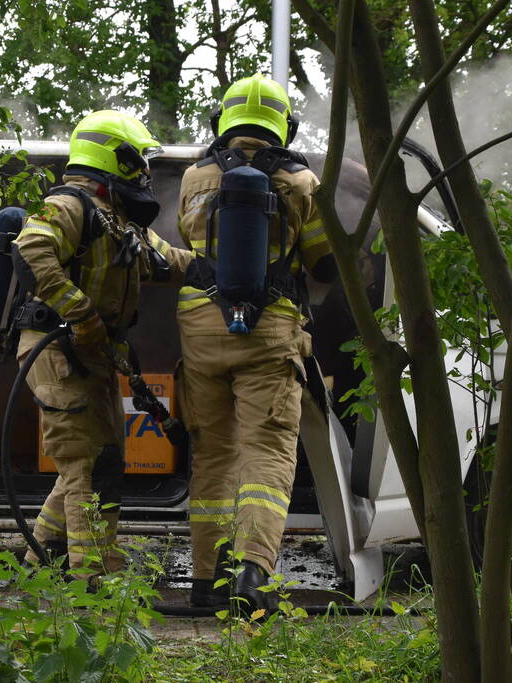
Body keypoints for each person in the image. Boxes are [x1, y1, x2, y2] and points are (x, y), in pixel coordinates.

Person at [176, 74, 337, 609]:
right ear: (284, 125)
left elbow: (191, 246)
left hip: (200, 329)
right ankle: (251, 576)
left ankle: (204, 582)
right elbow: (325, 264)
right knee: (266, 455)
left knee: (212, 455)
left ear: (221, 122)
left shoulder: (194, 177)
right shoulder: (300, 182)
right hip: (269, 332)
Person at [11, 110, 191, 573]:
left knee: (98, 461)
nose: (146, 171)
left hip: (89, 355)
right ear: (119, 157)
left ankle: (39, 564)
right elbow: (31, 251)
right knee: (87, 468)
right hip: (57, 352)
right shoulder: (70, 205)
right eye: (141, 159)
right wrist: (82, 314)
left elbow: (168, 262)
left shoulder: (117, 220)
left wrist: (223, 270)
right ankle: (92, 584)